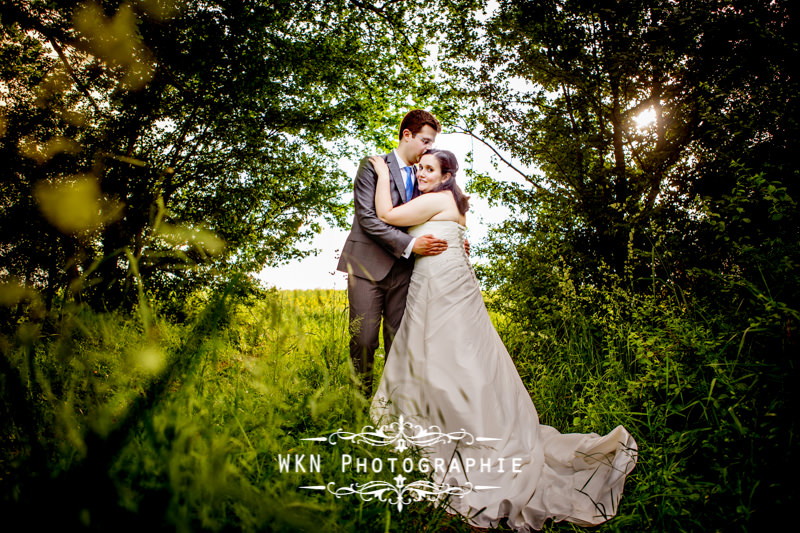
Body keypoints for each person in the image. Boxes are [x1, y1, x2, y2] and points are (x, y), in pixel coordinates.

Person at [369, 149, 638, 531]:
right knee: (458, 355)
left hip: (442, 288)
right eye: (420, 168)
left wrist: (381, 172)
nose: (422, 173)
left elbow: (386, 216)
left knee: (451, 357)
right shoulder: (449, 204)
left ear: (447, 175)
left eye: (430, 169)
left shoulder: (436, 198)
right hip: (441, 283)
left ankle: (463, 429)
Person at [337, 110, 448, 396]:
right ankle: (358, 408)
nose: (429, 148)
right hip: (367, 268)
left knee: (399, 342)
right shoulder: (372, 166)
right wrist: (411, 245)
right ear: (406, 135)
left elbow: (434, 213)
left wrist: (452, 238)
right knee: (363, 339)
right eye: (424, 140)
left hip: (405, 271)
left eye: (432, 142)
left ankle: (391, 410)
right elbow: (368, 219)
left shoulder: (426, 174)